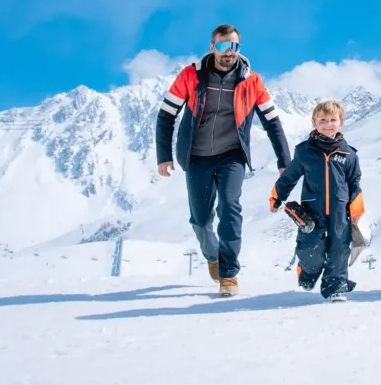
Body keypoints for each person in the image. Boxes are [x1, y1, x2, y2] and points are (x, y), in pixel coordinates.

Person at [156, 24, 291, 297]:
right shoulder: (191, 75)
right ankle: (212, 255)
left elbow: (272, 122)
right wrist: (164, 156)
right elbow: (166, 115)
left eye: (234, 47)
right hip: (197, 156)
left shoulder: (251, 81)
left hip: (232, 156)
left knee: (230, 208)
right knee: (201, 220)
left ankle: (229, 274)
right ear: (212, 47)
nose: (228, 52)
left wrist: (284, 161)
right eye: (222, 46)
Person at [269, 100, 364, 302]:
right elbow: (289, 176)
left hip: (340, 211)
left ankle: (336, 286)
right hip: (312, 210)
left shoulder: (349, 154)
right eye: (323, 120)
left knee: (339, 250)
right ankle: (307, 272)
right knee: (310, 249)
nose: (328, 124)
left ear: (341, 123)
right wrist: (277, 197)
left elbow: (354, 182)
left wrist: (356, 205)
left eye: (333, 120)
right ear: (314, 122)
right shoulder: (305, 151)